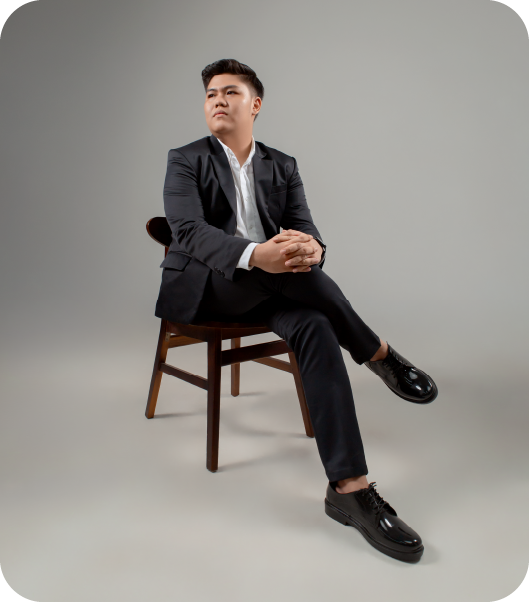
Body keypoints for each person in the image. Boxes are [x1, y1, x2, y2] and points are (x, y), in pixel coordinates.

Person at [154, 58, 438, 563]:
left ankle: (349, 489)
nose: (217, 100)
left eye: (230, 92)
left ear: (255, 105)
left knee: (316, 326)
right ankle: (377, 352)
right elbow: (189, 233)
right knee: (284, 273)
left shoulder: (281, 164)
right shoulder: (185, 159)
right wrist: (257, 254)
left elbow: (305, 225)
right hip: (209, 288)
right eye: (211, 94)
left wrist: (312, 249)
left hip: (278, 289)